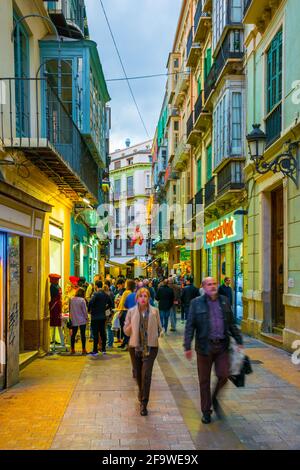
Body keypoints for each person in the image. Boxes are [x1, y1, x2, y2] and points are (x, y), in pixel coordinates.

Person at [184, 277, 243, 424]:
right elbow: (190, 326)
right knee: (204, 381)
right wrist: (187, 346)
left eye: (214, 283)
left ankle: (214, 397)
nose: (212, 286)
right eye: (209, 284)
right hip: (204, 347)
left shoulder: (224, 301)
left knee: (224, 375)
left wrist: (239, 339)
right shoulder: (196, 303)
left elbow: (231, 323)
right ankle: (206, 411)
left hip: (222, 346)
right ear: (203, 287)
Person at [124, 288, 163, 416]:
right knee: (138, 374)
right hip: (134, 347)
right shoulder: (131, 312)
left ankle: (144, 403)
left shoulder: (154, 311)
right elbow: (126, 331)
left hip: (150, 348)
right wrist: (130, 327)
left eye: (145, 296)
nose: (143, 298)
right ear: (137, 298)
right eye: (140, 296)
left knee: (146, 374)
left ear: (149, 298)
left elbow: (159, 327)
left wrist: (158, 333)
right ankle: (141, 392)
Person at [88, 280, 113, 356]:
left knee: (95, 334)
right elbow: (111, 304)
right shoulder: (105, 294)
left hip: (95, 316)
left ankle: (95, 350)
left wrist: (89, 310)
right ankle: (103, 349)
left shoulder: (95, 294)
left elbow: (91, 303)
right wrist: (105, 308)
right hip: (102, 316)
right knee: (103, 333)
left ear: (96, 286)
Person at [117, 279, 136, 349]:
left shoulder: (126, 292)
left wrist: (120, 312)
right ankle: (126, 343)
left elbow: (123, 304)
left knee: (125, 329)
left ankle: (126, 344)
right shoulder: (133, 292)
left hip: (125, 312)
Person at [69, 288, 89, 354]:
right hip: (82, 320)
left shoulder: (72, 299)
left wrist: (71, 318)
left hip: (74, 319)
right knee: (83, 335)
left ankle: (72, 349)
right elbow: (85, 311)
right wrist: (87, 318)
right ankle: (83, 349)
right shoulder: (82, 300)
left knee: (73, 335)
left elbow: (70, 310)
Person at [49, 274, 65, 349]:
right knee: (59, 325)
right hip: (59, 307)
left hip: (54, 307)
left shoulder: (52, 287)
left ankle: (53, 340)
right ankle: (61, 341)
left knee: (54, 325)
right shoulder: (59, 287)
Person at [104, 280, 115, 349]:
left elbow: (109, 305)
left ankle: (110, 343)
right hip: (110, 312)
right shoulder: (111, 293)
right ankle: (110, 342)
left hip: (108, 313)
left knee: (108, 327)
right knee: (109, 327)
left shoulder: (108, 295)